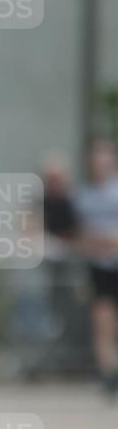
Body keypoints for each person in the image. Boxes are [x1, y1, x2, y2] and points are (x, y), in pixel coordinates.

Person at [74, 138, 118, 396]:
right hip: (99, 268)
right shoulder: (84, 197)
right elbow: (81, 236)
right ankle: (109, 375)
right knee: (103, 324)